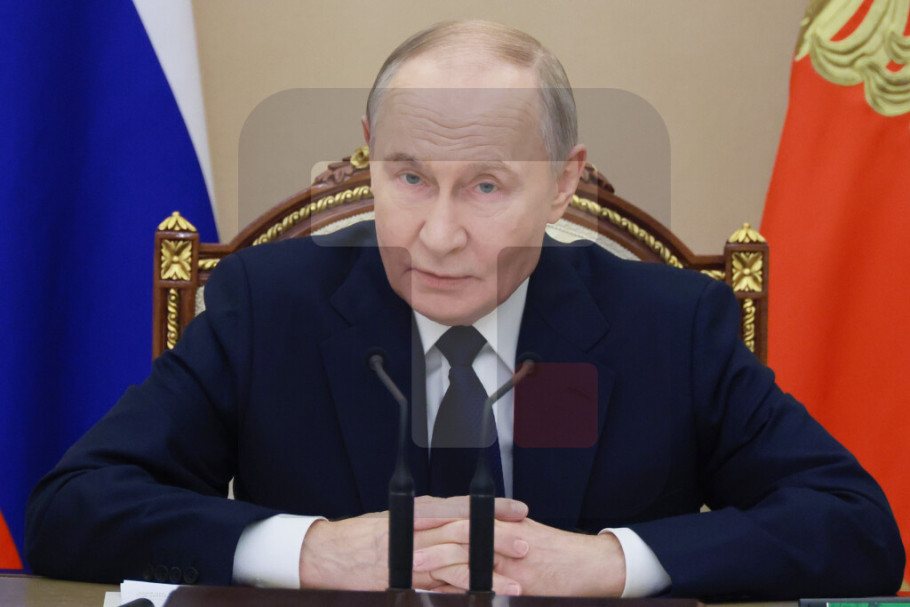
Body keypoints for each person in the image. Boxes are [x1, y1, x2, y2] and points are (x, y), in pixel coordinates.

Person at [26, 20, 904, 599]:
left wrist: (612, 562)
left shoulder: (671, 326)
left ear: (563, 184)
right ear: (368, 155)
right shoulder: (268, 306)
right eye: (409, 177)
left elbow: (856, 527)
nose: (437, 236)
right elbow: (73, 509)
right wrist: (309, 549)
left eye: (486, 186)